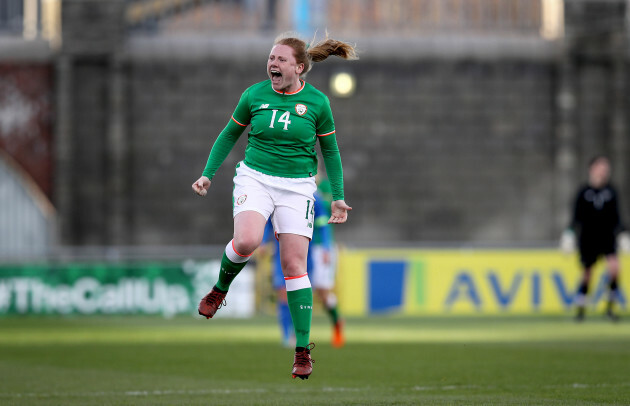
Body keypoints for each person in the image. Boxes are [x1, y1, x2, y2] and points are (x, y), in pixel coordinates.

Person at [191, 32, 357, 379]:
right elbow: (228, 135)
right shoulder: (254, 95)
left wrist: (338, 195)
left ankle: (302, 351)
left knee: (295, 265)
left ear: (299, 68)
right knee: (248, 241)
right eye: (271, 58)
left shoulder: (317, 103)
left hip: (298, 188)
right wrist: (208, 174)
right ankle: (220, 290)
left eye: (280, 60)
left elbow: (331, 152)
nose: (272, 64)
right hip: (256, 177)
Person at [261, 176, 344, 349]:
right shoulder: (277, 190)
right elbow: (269, 221)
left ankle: (336, 323)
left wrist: (327, 247)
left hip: (315, 249)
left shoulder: (316, 195)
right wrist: (263, 242)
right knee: (283, 291)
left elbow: (324, 224)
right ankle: (288, 335)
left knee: (320, 292)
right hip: (283, 246)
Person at [561, 156, 629, 322]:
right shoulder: (583, 192)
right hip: (588, 238)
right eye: (601, 167)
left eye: (606, 168)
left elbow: (617, 216)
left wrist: (624, 233)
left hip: (607, 237)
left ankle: (610, 308)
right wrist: (569, 234)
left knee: (614, 269)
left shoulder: (611, 191)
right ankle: (581, 309)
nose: (604, 171)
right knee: (587, 274)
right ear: (592, 169)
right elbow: (576, 217)